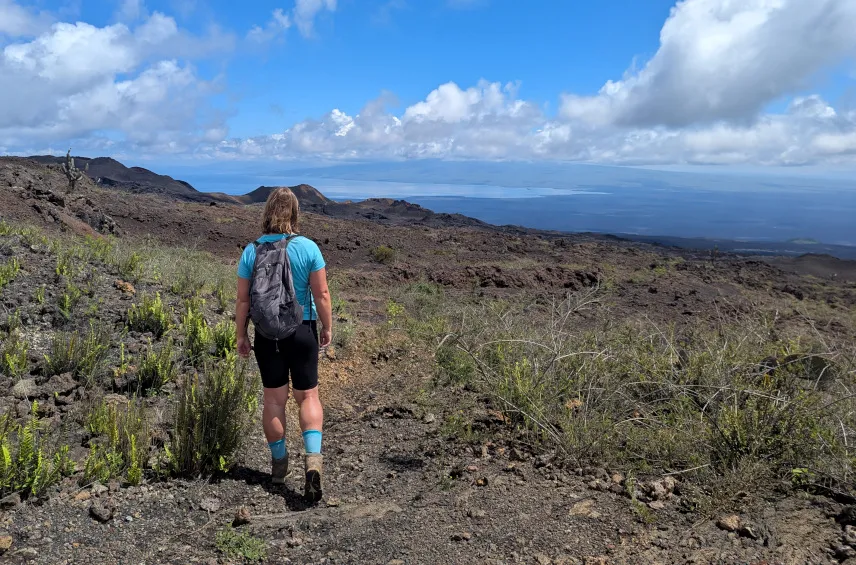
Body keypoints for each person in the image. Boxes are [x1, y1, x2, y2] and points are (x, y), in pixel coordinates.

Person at [235, 187, 332, 503]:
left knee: (274, 401)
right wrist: (327, 327)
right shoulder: (308, 248)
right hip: (303, 331)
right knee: (308, 397)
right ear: (295, 213)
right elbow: (322, 295)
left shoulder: (252, 251)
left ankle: (279, 467)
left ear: (266, 212)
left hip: (267, 337)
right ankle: (313, 462)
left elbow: (242, 300)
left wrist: (241, 335)